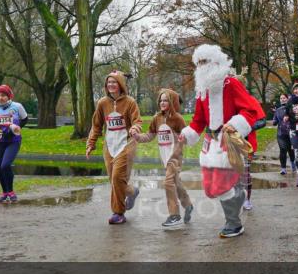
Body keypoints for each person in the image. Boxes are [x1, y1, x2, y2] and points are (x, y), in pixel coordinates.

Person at [178, 44, 265, 239]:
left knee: (222, 185)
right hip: (212, 143)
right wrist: (189, 133)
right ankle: (239, 195)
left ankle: (233, 224)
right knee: (210, 188)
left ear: (216, 62)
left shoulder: (231, 84)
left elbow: (251, 111)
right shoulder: (203, 90)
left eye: (205, 61)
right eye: (198, 63)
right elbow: (199, 120)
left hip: (230, 141)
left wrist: (235, 124)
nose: (201, 67)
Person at [86, 71, 143, 224]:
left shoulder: (130, 102)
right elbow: (96, 125)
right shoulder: (102, 103)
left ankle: (118, 213)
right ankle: (132, 191)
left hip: (126, 145)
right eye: (108, 83)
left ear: (120, 85)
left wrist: (134, 129)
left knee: (118, 178)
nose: (111, 85)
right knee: (114, 180)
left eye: (114, 82)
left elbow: (137, 121)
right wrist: (91, 144)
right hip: (109, 146)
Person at [135, 88, 193, 230]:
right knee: (176, 183)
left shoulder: (177, 118)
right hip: (164, 157)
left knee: (168, 182)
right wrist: (137, 137)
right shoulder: (157, 118)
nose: (162, 102)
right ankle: (188, 205)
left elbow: (186, 136)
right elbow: (149, 135)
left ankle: (174, 215)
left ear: (172, 102)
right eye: (160, 100)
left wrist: (183, 138)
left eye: (165, 100)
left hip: (175, 157)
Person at [0, 84, 29, 202]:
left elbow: (25, 119)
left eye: (3, 95)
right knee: (0, 168)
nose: (0, 98)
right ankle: (5, 192)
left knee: (5, 165)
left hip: (13, 141)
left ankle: (11, 191)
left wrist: (17, 127)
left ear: (8, 96)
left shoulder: (17, 106)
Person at [273, 92, 293, 175]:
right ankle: (283, 168)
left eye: (284, 98)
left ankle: (293, 164)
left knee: (291, 150)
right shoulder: (278, 110)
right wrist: (274, 121)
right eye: (281, 98)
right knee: (283, 150)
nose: (282, 99)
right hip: (281, 134)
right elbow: (275, 120)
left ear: (288, 99)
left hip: (291, 133)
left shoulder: (292, 108)